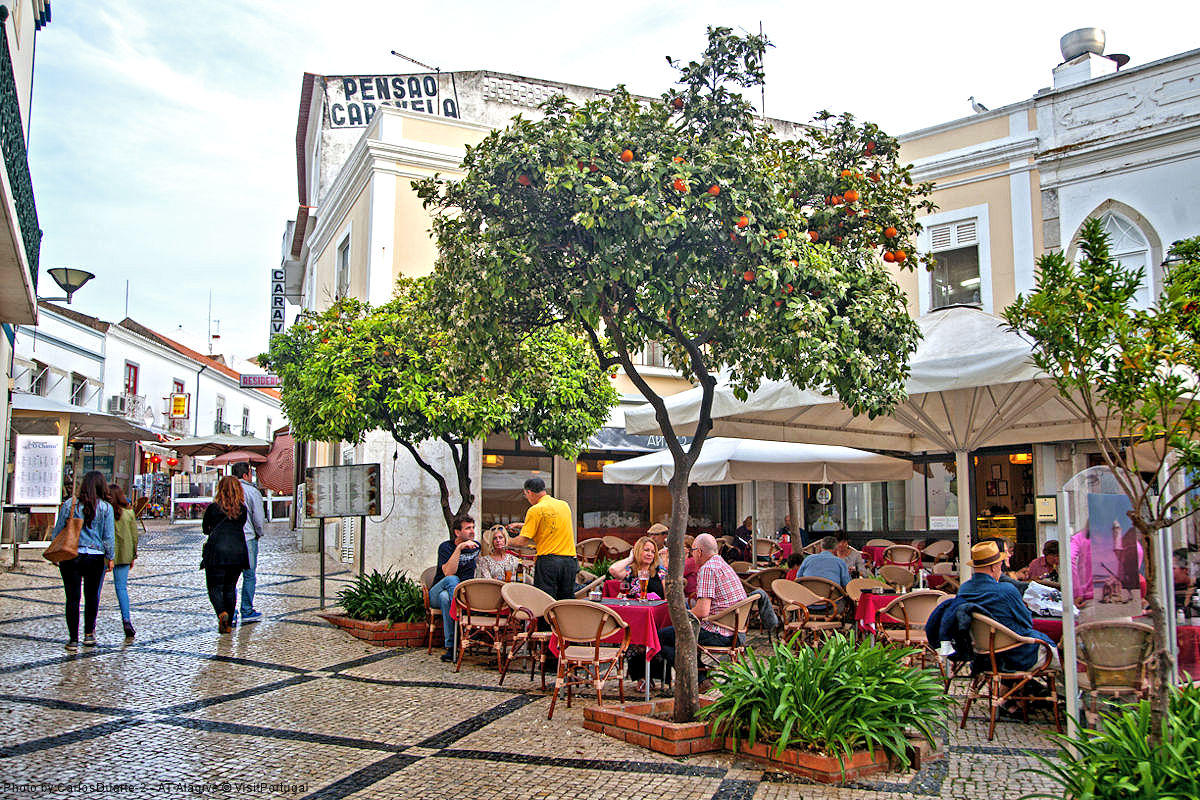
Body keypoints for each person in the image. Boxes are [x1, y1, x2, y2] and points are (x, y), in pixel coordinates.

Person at [657, 533, 748, 684]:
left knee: (661, 637)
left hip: (720, 633)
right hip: (736, 630)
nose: (692, 554)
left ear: (699, 551)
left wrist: (679, 615)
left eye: (692, 550)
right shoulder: (722, 563)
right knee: (678, 629)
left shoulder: (707, 569)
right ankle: (700, 676)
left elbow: (701, 612)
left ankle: (699, 680)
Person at [957, 541, 1058, 671]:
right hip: (1016, 656)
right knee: (1056, 651)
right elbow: (1026, 622)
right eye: (1000, 564)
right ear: (994, 567)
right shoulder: (1005, 590)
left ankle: (1026, 689)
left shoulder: (964, 589)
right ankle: (1066, 686)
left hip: (982, 655)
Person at [54, 471, 115, 651]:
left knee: (72, 598)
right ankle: (89, 634)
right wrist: (110, 557)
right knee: (92, 596)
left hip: (71, 555)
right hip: (95, 557)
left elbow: (58, 531)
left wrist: (57, 552)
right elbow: (108, 537)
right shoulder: (105, 508)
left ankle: (73, 639)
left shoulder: (69, 504)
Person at [507, 477, 577, 600]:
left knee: (545, 601)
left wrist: (505, 541)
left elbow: (521, 541)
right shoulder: (564, 505)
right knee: (565, 602)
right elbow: (550, 524)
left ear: (529, 492)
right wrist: (521, 525)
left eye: (526, 495)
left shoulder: (535, 510)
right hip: (569, 561)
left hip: (549, 562)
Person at [201, 477, 250, 634]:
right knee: (230, 588)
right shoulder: (242, 509)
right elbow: (241, 525)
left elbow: (205, 529)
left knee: (215, 587)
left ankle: (222, 612)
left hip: (217, 552)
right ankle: (228, 625)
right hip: (237, 552)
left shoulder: (213, 508)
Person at [431, 514, 478, 662]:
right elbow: (448, 572)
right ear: (457, 532)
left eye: (473, 528)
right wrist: (459, 549)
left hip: (449, 595)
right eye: (468, 528)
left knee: (446, 598)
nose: (472, 531)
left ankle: (451, 648)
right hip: (436, 592)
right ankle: (459, 612)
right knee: (452, 579)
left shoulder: (476, 547)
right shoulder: (445, 547)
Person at [232, 462, 265, 625]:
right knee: (249, 575)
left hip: (230, 540)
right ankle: (247, 610)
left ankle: (230, 612)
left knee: (230, 577)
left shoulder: (226, 491)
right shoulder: (252, 492)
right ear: (245, 475)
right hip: (248, 538)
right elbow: (258, 518)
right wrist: (259, 533)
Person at [107, 484, 139, 639]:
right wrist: (133, 554)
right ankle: (126, 620)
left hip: (105, 555)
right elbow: (134, 535)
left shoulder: (106, 512)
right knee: (121, 588)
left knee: (96, 590)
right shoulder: (129, 512)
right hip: (125, 553)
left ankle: (90, 627)